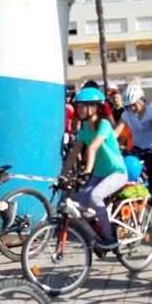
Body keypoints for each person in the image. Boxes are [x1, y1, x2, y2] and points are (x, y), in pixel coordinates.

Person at [59, 86, 128, 249]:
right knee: (82, 205)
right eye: (78, 106)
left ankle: (109, 237)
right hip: (100, 173)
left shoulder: (103, 124)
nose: (79, 109)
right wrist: (63, 175)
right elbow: (74, 152)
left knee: (95, 196)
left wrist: (86, 171)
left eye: (83, 106)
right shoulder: (84, 128)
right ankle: (99, 230)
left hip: (117, 172)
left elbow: (93, 147)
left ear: (94, 107)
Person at [115, 85, 152, 228]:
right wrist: (111, 145)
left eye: (134, 105)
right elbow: (116, 132)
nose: (131, 109)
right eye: (128, 106)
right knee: (132, 178)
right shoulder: (126, 114)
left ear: (141, 101)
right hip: (137, 148)